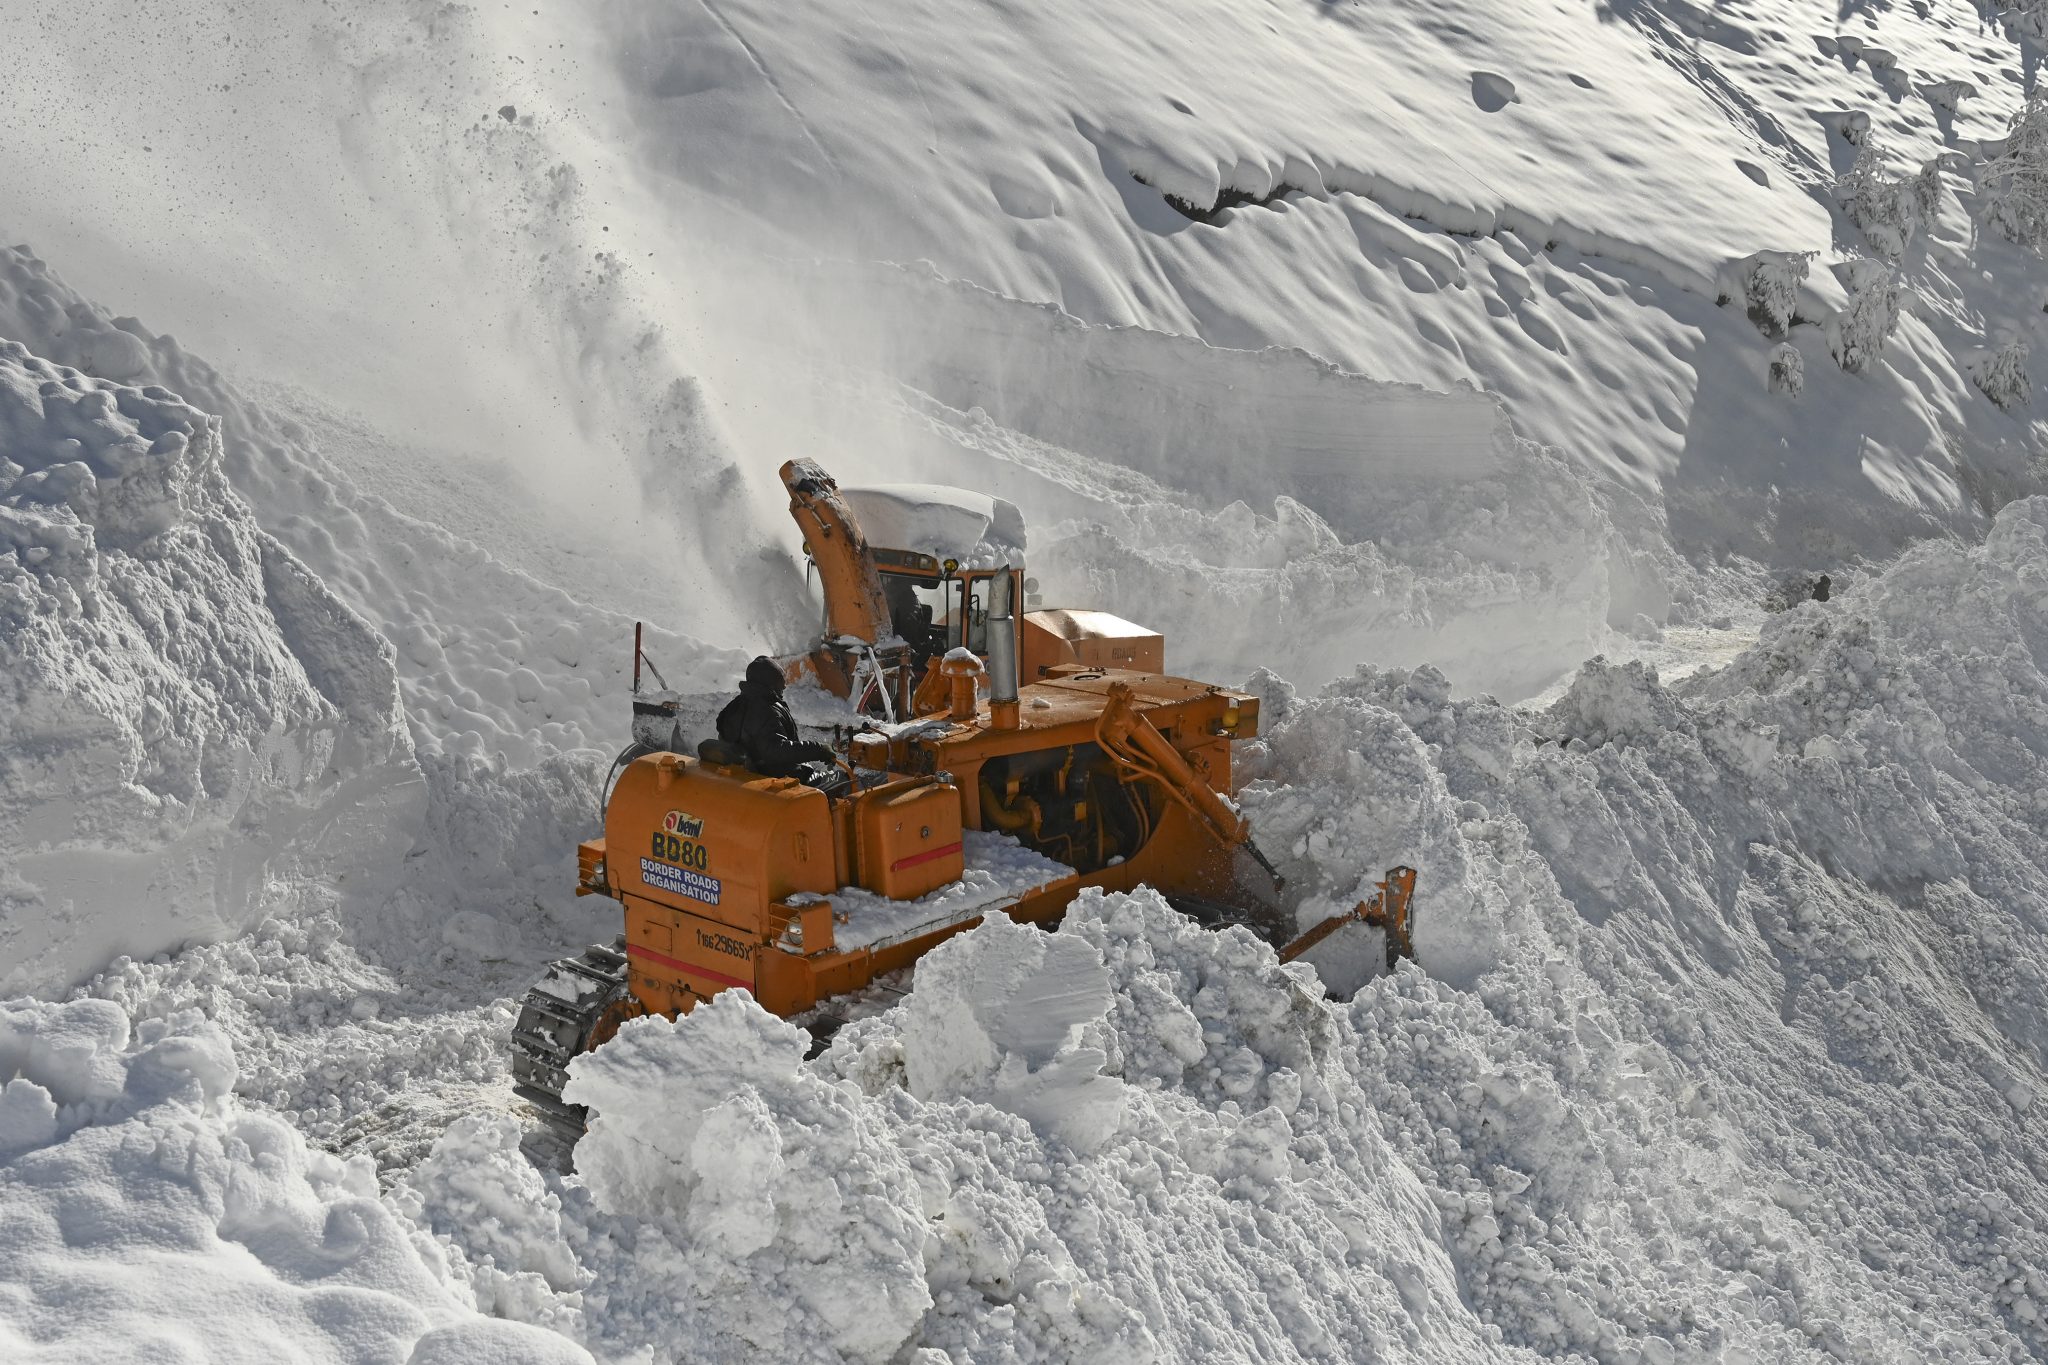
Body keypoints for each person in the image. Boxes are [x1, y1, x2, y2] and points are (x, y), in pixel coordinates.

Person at [717, 656, 841, 788]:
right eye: (780, 680)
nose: (784, 685)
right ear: (769, 682)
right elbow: (776, 750)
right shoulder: (766, 710)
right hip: (779, 778)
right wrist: (818, 749)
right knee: (842, 778)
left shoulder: (736, 705)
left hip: (752, 774)